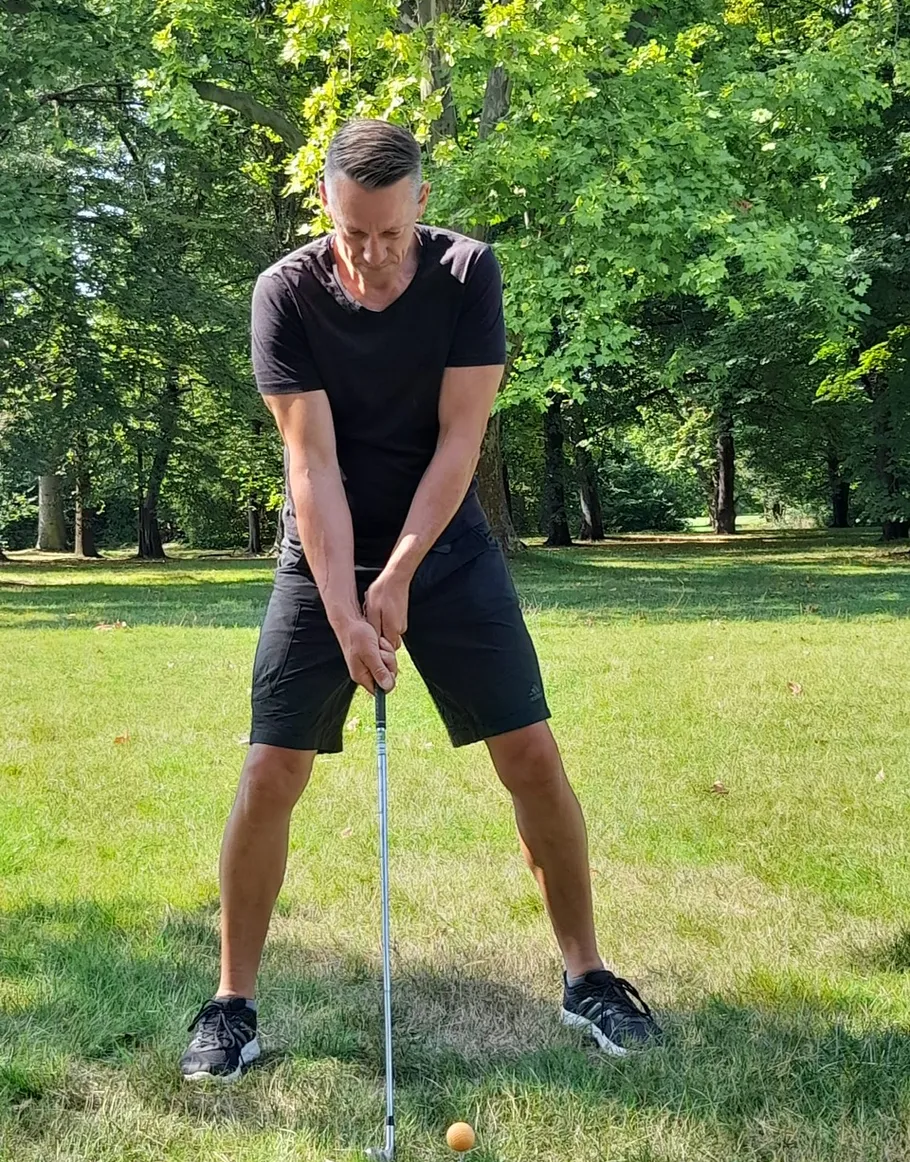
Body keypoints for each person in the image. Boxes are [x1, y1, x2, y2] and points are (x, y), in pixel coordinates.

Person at [180, 119, 661, 1082]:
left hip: (443, 550)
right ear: (328, 207)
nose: (373, 255)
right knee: (272, 766)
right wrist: (349, 608)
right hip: (321, 556)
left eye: (391, 233)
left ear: (421, 206)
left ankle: (588, 975)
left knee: (529, 751)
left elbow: (459, 442)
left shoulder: (466, 273)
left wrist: (398, 577)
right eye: (356, 234)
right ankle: (233, 1002)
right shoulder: (284, 293)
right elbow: (311, 464)